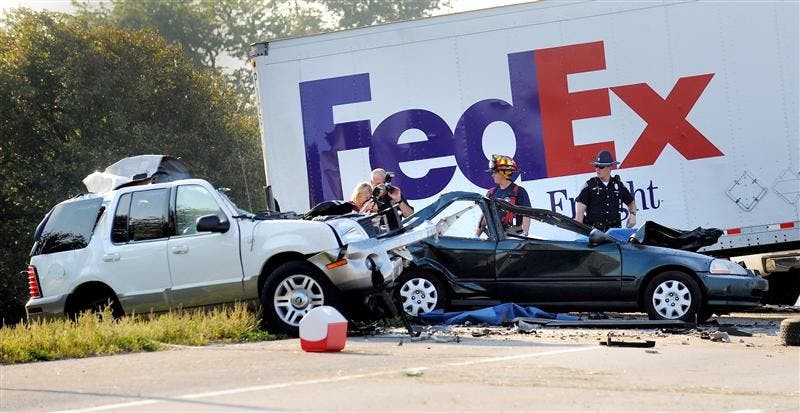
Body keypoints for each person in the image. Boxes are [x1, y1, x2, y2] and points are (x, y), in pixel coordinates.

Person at [575, 150, 637, 231]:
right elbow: (580, 209)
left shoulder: (618, 185)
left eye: (601, 167)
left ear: (609, 167)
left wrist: (633, 215)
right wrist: (579, 232)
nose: (597, 169)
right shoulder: (590, 185)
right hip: (594, 231)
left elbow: (631, 201)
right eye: (596, 166)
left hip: (614, 231)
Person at [476, 154, 531, 236]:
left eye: (495, 172)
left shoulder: (520, 191)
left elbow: (527, 215)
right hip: (495, 239)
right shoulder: (491, 193)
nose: (492, 175)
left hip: (514, 239)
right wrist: (476, 236)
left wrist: (525, 236)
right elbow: (485, 216)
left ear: (503, 173)